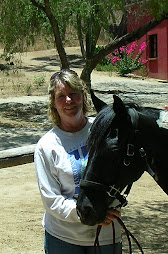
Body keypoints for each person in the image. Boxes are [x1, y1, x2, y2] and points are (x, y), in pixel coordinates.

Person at [34, 69, 122, 254]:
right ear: (53, 103)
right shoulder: (47, 146)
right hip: (63, 238)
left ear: (83, 96)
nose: (69, 100)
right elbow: (51, 201)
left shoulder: (104, 130)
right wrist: (94, 213)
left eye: (73, 93)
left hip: (106, 235)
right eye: (61, 96)